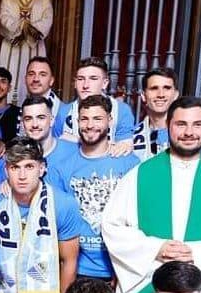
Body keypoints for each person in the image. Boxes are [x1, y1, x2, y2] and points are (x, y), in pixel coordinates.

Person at [102, 97, 201, 293]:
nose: (189, 132)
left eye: (197, 124)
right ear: (168, 125)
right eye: (181, 124)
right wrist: (156, 249)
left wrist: (195, 253)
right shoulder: (139, 176)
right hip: (148, 280)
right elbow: (112, 227)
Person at [0, 138, 84, 293]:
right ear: (6, 171)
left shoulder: (64, 204)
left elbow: (69, 261)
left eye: (29, 166)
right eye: (15, 167)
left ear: (41, 168)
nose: (22, 175)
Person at [46, 96, 139, 282]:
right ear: (78, 121)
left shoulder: (130, 163)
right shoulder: (61, 167)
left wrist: (123, 270)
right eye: (84, 119)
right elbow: (55, 221)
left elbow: (139, 218)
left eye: (97, 119)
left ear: (110, 120)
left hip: (119, 270)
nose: (90, 125)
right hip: (75, 269)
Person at [60, 58, 135, 155]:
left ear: (105, 83)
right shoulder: (63, 111)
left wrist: (76, 139)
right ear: (75, 83)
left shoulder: (121, 110)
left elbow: (123, 147)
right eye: (81, 79)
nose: (85, 85)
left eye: (93, 78)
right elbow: (57, 147)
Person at [131, 68, 178, 161]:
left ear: (175, 95)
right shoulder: (131, 136)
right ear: (143, 96)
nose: (161, 94)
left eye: (167, 88)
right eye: (154, 88)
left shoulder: (192, 133)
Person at [20, 95, 75, 166]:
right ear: (23, 123)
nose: (35, 125)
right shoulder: (16, 156)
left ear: (51, 120)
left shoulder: (71, 152)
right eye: (28, 119)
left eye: (41, 118)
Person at [24, 57, 68, 136]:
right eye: (31, 74)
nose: (36, 79)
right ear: (25, 79)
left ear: (51, 81)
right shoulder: (21, 109)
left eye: (42, 75)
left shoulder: (64, 113)